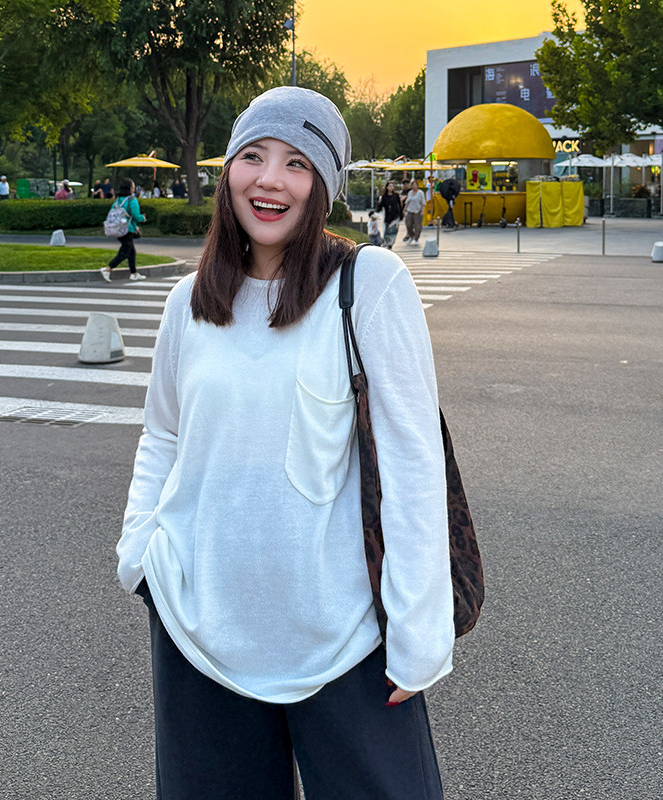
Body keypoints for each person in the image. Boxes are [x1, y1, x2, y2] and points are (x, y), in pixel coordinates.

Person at [116, 86, 453, 800]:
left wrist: (418, 637)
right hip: (199, 632)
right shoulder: (188, 302)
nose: (270, 180)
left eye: (298, 163)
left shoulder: (368, 285)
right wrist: (139, 552)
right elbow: (163, 433)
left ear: (324, 186)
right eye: (253, 156)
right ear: (228, 170)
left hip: (344, 640)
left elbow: (413, 461)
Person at [100, 179, 147, 282]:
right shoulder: (132, 200)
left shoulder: (117, 201)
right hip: (127, 229)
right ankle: (108, 269)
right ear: (130, 188)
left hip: (117, 228)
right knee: (125, 251)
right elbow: (135, 215)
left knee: (131, 251)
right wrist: (143, 218)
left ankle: (134, 273)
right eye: (133, 187)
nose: (134, 189)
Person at [376, 180, 402, 249]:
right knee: (387, 230)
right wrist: (376, 212)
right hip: (388, 216)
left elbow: (399, 205)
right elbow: (381, 205)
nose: (391, 187)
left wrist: (401, 215)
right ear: (387, 187)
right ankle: (386, 242)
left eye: (392, 186)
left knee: (394, 231)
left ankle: (390, 244)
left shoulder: (396, 195)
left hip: (395, 216)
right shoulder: (384, 196)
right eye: (390, 186)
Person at [403, 178, 426, 246]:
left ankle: (416, 238)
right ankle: (411, 236)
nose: (414, 186)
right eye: (413, 185)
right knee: (408, 224)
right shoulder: (410, 193)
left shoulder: (420, 193)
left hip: (417, 211)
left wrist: (422, 210)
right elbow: (407, 202)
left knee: (417, 226)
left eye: (415, 185)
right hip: (410, 210)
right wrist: (404, 209)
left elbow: (423, 203)